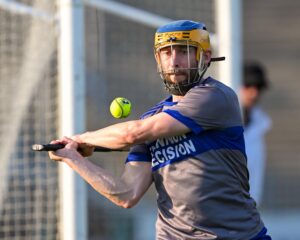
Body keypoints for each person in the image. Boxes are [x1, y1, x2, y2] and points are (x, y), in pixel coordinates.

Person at [49, 20, 271, 239]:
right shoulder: (151, 120)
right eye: (166, 53)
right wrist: (73, 158)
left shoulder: (214, 96)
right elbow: (127, 194)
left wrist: (84, 139)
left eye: (183, 52)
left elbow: (131, 134)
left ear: (204, 56)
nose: (174, 62)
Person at [240, 62, 272, 207]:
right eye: (248, 86)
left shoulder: (260, 124)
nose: (254, 93)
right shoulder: (215, 119)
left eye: (258, 88)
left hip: (247, 212)